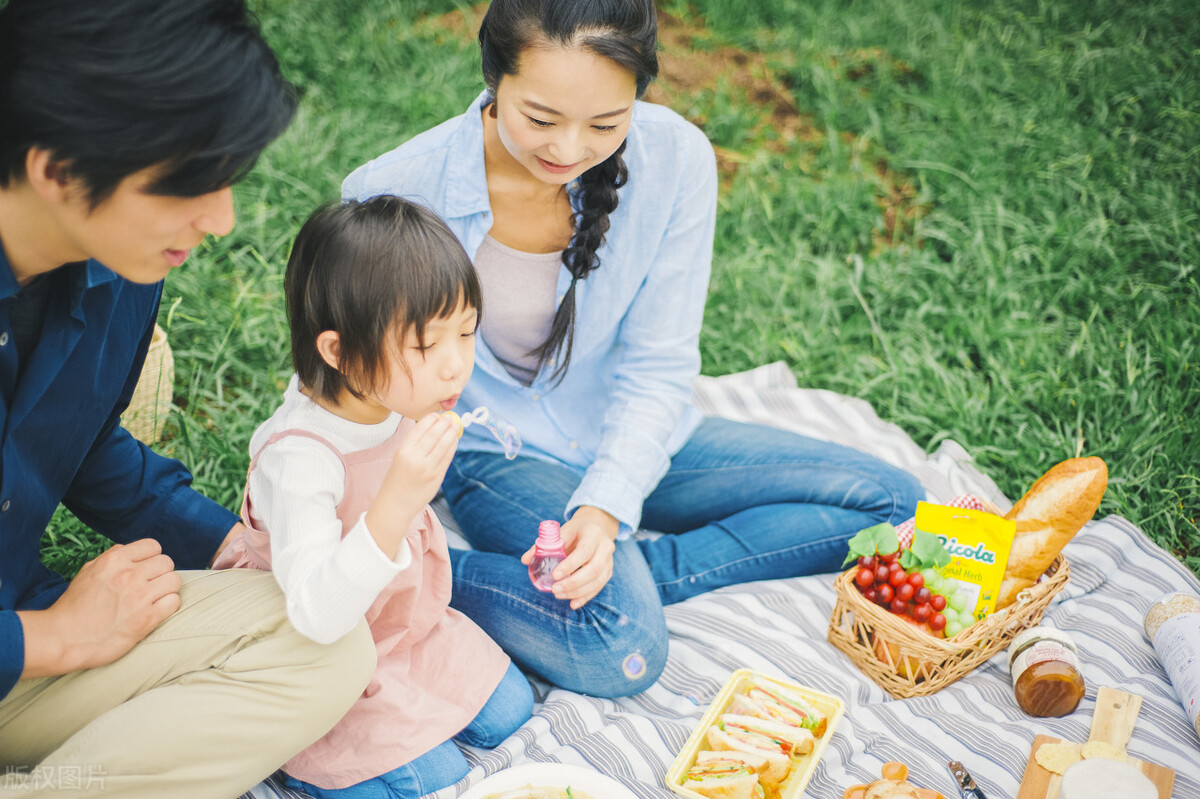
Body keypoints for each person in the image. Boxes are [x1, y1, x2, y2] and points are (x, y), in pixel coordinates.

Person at [343, 0, 925, 698]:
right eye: (541, 118)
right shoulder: (396, 190)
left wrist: (608, 507)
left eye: (606, 124)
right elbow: (360, 381)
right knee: (618, 642)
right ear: (494, 78)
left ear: (639, 96)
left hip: (635, 431)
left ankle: (642, 565)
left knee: (893, 503)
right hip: (492, 452)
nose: (567, 148)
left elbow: (658, 364)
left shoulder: (675, 159)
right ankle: (426, 571)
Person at [0, 1, 376, 796]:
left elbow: (75, 439)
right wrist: (45, 639)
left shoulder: (118, 264)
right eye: (193, 185)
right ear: (57, 169)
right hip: (24, 640)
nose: (222, 220)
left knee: (324, 643)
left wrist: (231, 546)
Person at [213, 196, 533, 798]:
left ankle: (402, 705)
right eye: (424, 346)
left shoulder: (390, 395)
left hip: (400, 623)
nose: (454, 368)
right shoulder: (301, 456)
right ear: (337, 352)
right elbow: (316, 615)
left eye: (465, 334)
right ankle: (294, 753)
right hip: (324, 649)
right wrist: (397, 502)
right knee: (434, 781)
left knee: (511, 709)